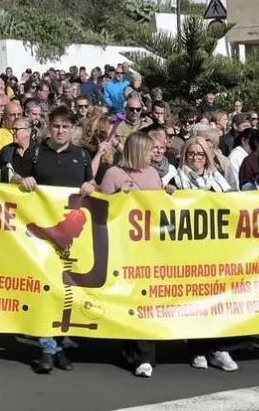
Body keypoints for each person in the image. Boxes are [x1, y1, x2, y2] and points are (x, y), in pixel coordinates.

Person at [10, 105, 95, 374]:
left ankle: (58, 347)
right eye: (56, 126)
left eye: (66, 127)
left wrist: (91, 186)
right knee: (45, 290)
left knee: (64, 292)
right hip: (40, 236)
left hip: (70, 238)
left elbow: (92, 184)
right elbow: (13, 176)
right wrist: (21, 181)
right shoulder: (36, 152)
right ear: (49, 125)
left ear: (72, 130)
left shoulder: (81, 155)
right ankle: (48, 348)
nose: (60, 131)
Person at [98, 130, 176, 377]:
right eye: (148, 150)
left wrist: (168, 192)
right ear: (136, 151)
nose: (153, 154)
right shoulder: (113, 174)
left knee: (145, 300)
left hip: (148, 248)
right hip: (122, 248)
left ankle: (145, 356)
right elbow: (101, 209)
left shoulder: (152, 174)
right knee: (128, 300)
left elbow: (159, 207)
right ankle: (132, 351)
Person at [167, 137, 239, 372]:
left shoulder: (217, 179)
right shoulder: (175, 180)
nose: (195, 159)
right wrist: (167, 193)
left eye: (200, 155)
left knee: (218, 302)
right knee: (195, 302)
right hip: (188, 254)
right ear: (184, 156)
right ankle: (198, 349)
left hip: (216, 253)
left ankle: (219, 348)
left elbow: (235, 204)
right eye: (191, 154)